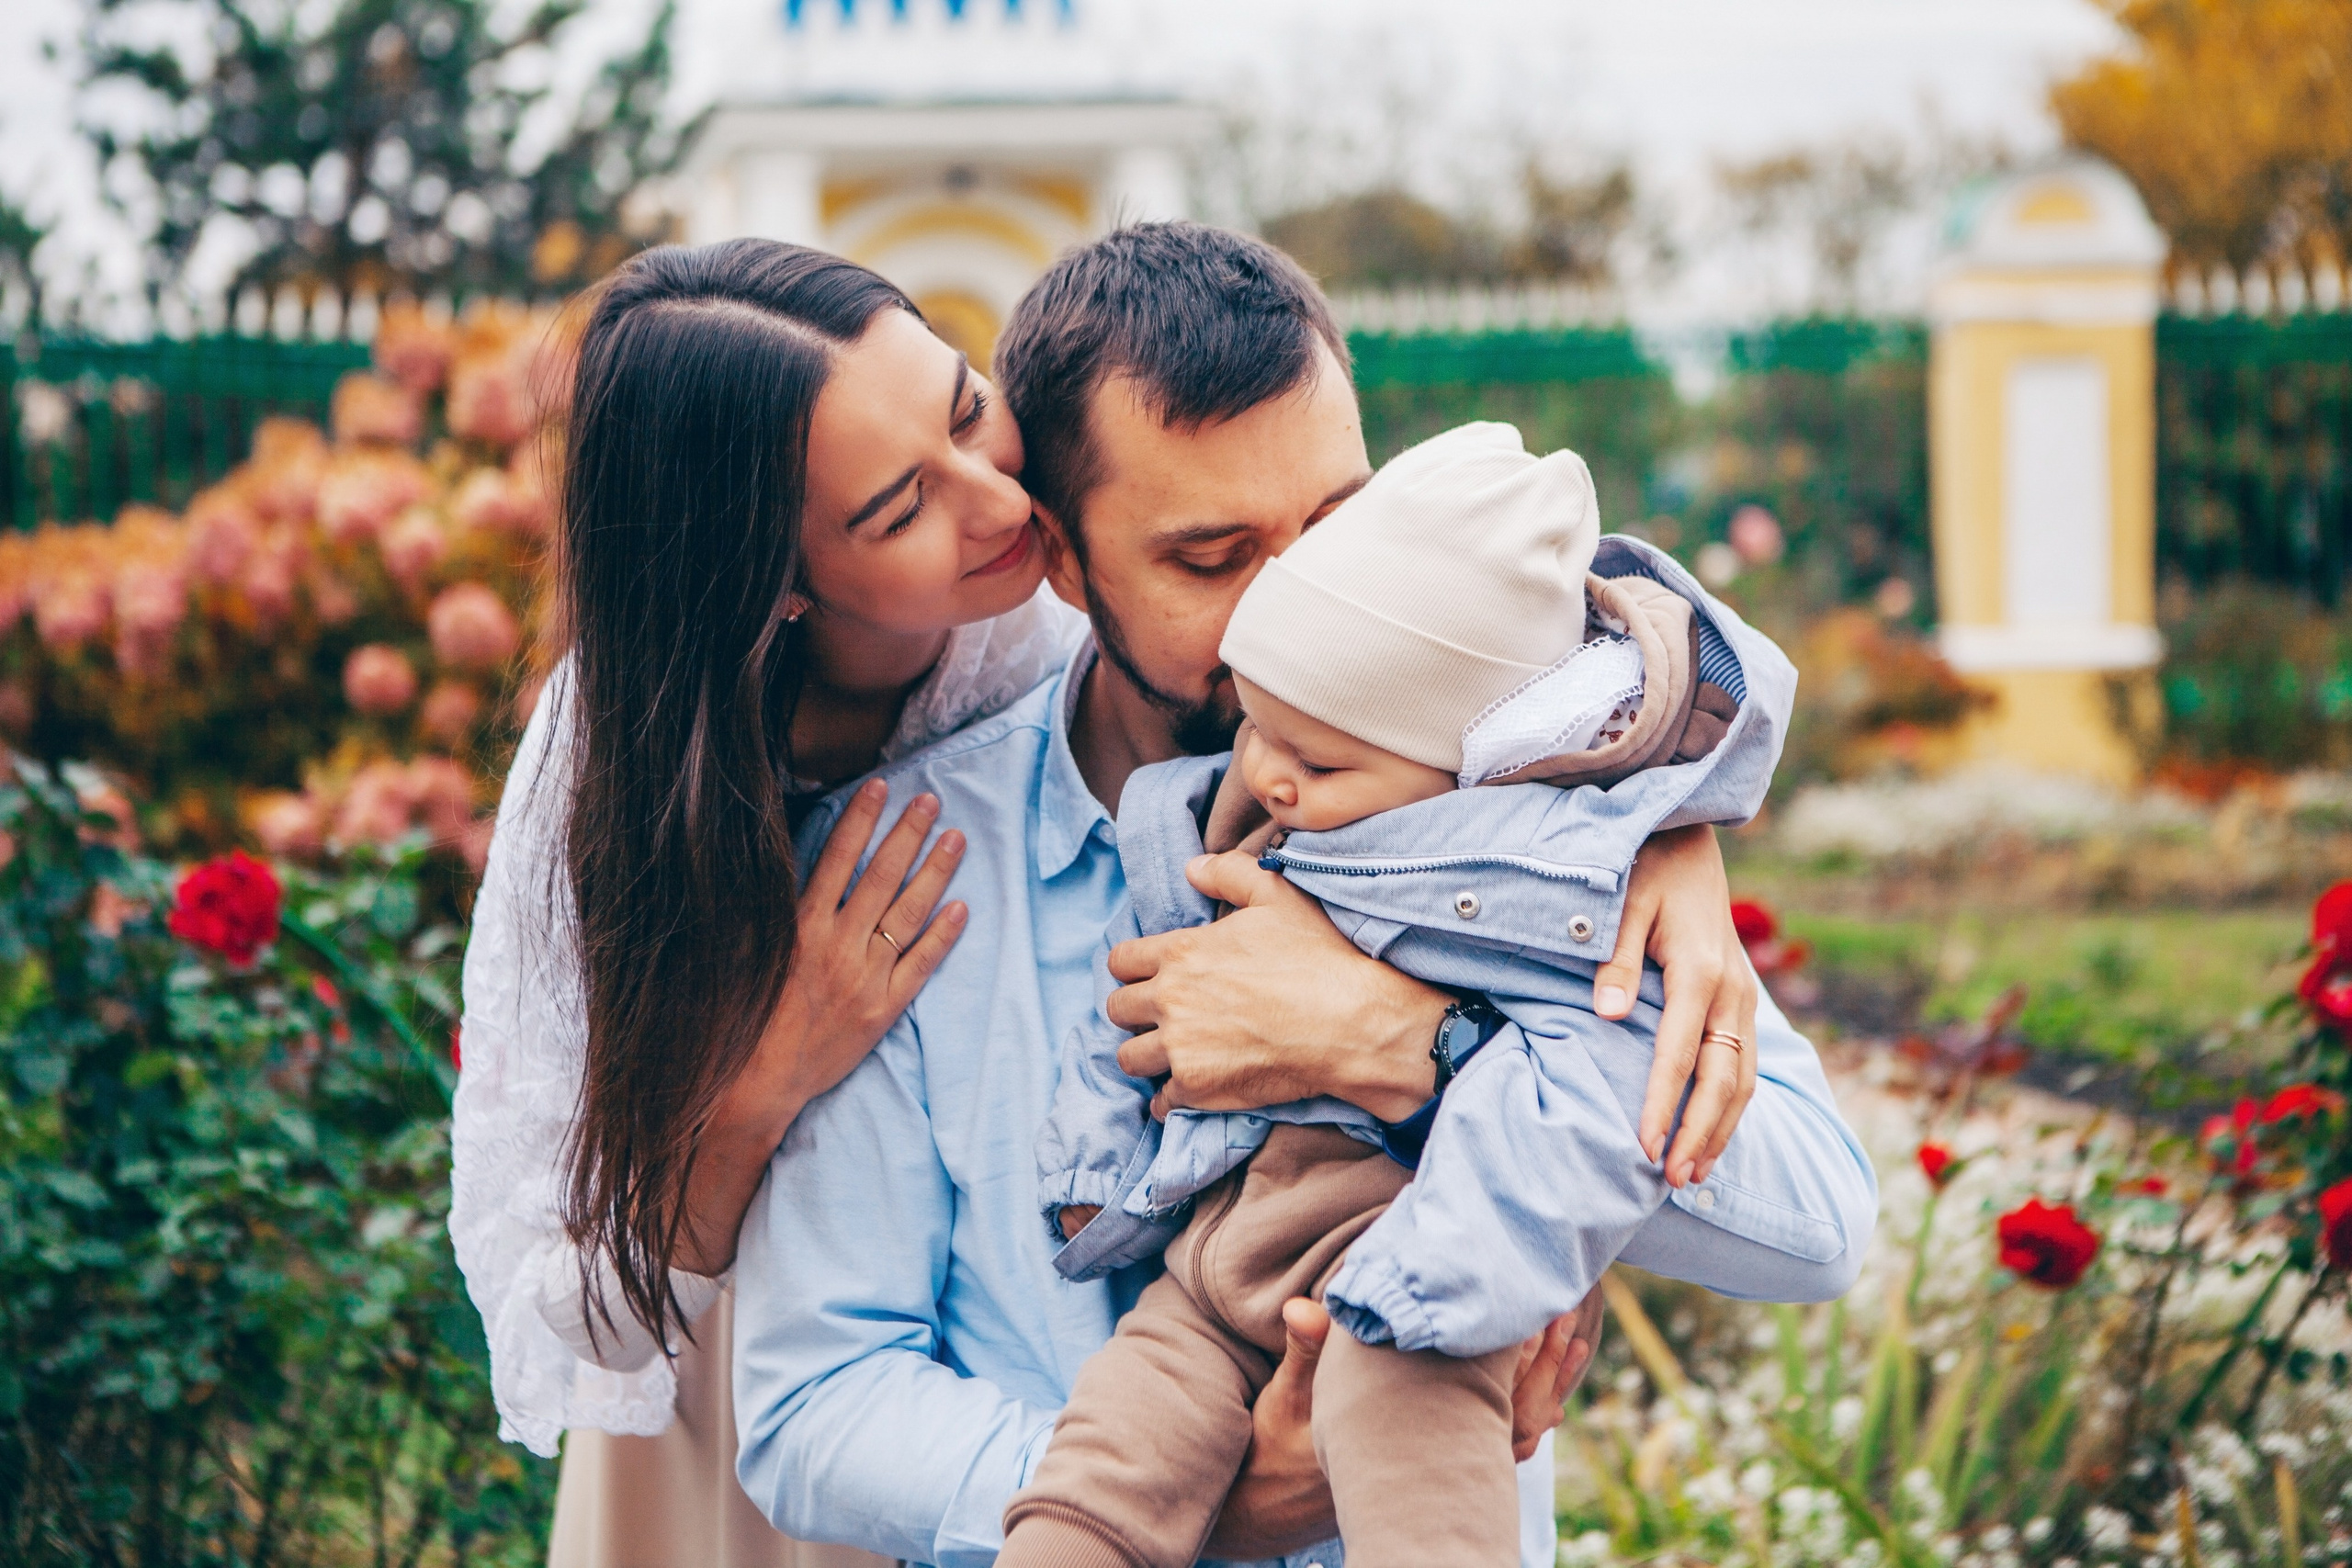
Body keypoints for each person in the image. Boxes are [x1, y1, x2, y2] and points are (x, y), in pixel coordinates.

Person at [451, 237, 1758, 1567]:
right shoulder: (638, 771)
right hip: (707, 1295)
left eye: (967, 410)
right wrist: (774, 1071)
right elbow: (648, 1339)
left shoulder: (1168, 631)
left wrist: (1653, 823)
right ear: (775, 583)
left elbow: (1582, 630)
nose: (999, 504)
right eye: (899, 507)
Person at [1000, 421, 1870, 1568]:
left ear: (1479, 765)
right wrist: (1093, 1167)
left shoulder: (1557, 893)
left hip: (1418, 1263)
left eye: (1318, 761)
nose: (1268, 773)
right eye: (1260, 726)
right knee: (1103, 1461)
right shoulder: (1214, 816)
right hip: (1215, 1264)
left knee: (1412, 1432)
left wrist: (1429, 1059)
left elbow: (1686, 1141)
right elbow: (1136, 995)